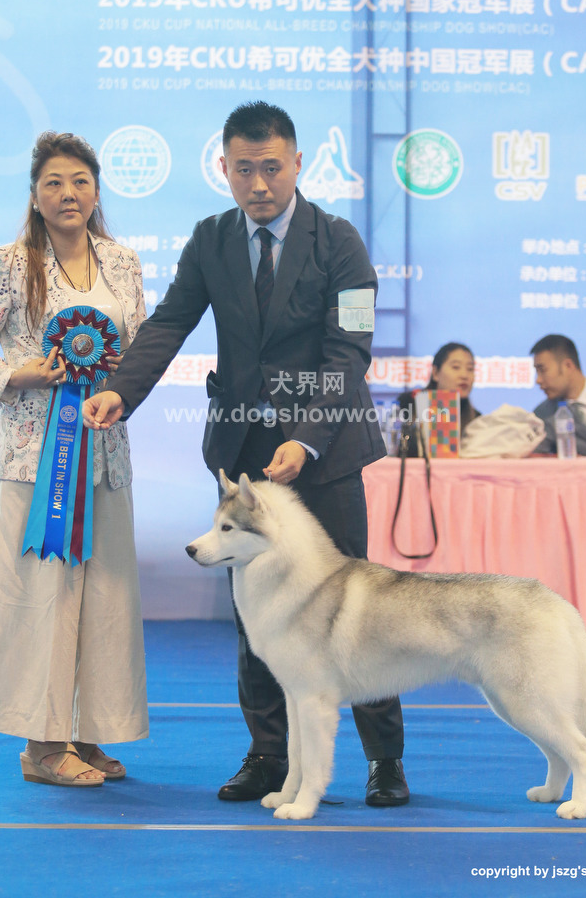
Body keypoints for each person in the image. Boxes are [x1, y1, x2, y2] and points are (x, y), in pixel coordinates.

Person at [82, 101, 409, 807]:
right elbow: (169, 323)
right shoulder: (211, 239)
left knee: (354, 605)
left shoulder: (341, 242)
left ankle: (384, 759)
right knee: (255, 609)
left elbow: (348, 354)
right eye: (242, 169)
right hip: (244, 459)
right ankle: (267, 754)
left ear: (297, 164)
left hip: (326, 450)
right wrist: (118, 390)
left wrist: (306, 437)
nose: (258, 184)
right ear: (223, 169)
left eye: (271, 167)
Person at [0, 132, 149, 786]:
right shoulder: (10, 263)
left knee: (106, 598)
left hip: (106, 455)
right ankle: (42, 746)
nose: (67, 193)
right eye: (53, 182)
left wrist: (118, 390)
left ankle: (89, 734)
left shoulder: (123, 262)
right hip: (33, 460)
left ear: (96, 191)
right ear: (34, 195)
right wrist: (14, 375)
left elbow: (138, 351)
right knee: (41, 599)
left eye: (79, 181)